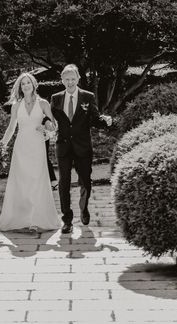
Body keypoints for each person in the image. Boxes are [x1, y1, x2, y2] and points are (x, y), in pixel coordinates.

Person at [50, 64, 112, 234]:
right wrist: (45, 125)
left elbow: (94, 118)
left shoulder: (87, 96)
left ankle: (84, 208)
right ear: (62, 80)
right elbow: (48, 119)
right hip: (63, 146)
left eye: (72, 79)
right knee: (64, 183)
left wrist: (105, 120)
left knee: (85, 181)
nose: (70, 82)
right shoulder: (55, 98)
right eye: (66, 79)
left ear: (77, 79)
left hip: (83, 147)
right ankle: (67, 220)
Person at [0, 72, 61, 232]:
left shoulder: (43, 103)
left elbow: (54, 126)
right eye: (23, 83)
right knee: (21, 182)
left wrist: (45, 128)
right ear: (20, 87)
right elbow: (12, 127)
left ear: (34, 84)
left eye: (28, 82)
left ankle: (36, 220)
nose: (26, 86)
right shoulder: (16, 105)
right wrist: (1, 146)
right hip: (21, 147)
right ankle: (22, 220)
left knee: (37, 181)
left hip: (37, 146)